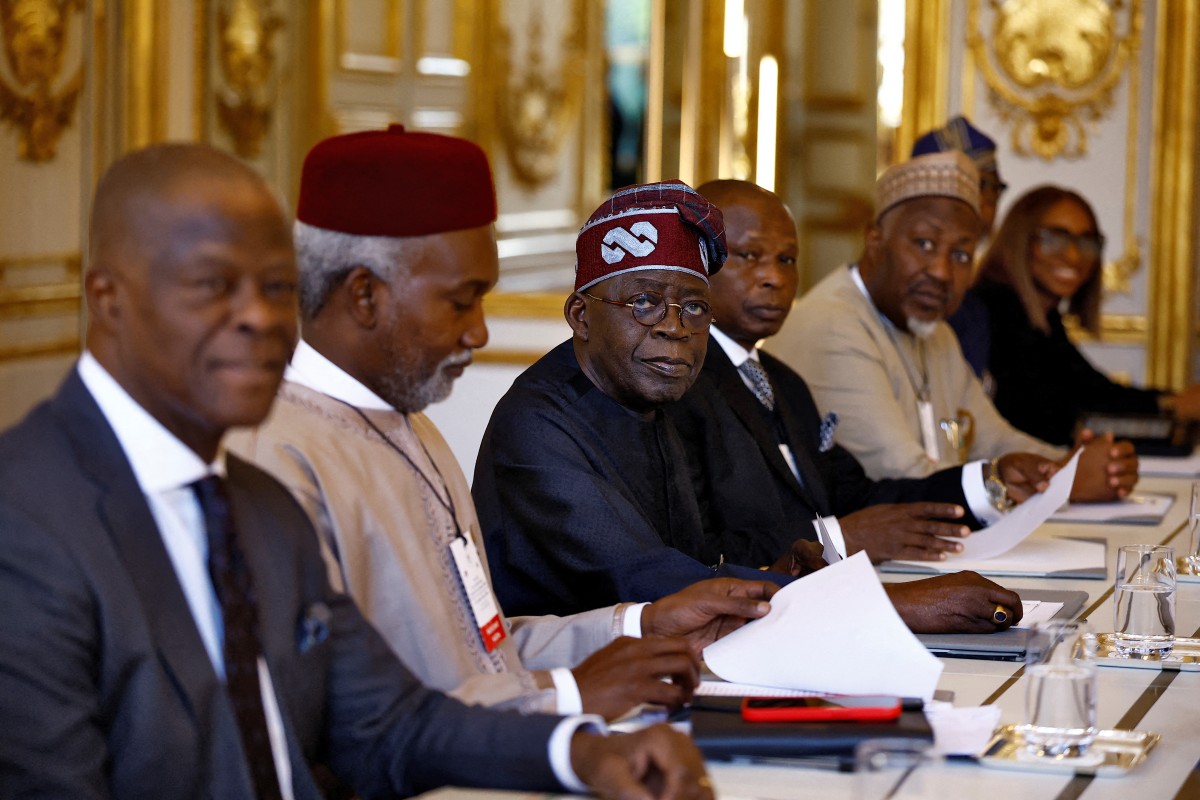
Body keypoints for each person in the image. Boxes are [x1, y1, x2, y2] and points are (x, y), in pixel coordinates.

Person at [0, 143, 714, 799]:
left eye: (278, 287)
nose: (259, 320)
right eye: (212, 286)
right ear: (108, 300)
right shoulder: (25, 518)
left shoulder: (249, 502)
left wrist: (580, 752)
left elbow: (387, 724)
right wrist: (569, 699)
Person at [227, 125, 778, 723]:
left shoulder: (419, 434)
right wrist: (567, 697)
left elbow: (475, 652)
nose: (480, 334)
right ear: (365, 295)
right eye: (461, 300)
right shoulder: (271, 459)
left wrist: (639, 624)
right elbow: (341, 723)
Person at [474, 180, 1024, 636]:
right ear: (580, 315)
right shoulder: (539, 423)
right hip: (570, 695)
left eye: (694, 308)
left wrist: (774, 568)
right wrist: (892, 603)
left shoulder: (650, 392)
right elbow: (648, 577)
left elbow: (696, 559)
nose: (673, 326)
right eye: (643, 301)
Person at [667, 179, 1057, 566]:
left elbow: (858, 498)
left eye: (787, 260)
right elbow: (693, 548)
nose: (775, 278)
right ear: (693, 262)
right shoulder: (674, 384)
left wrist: (987, 482)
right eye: (749, 255)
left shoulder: (783, 382)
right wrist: (839, 537)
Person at [767, 152, 1138, 504]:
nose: (942, 272)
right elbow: (903, 476)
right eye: (924, 244)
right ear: (875, 240)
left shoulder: (936, 332)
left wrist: (1075, 464)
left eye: (960, 254)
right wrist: (1065, 480)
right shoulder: (836, 324)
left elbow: (994, 440)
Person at [959, 185, 1200, 446]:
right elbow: (1052, 417)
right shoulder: (991, 311)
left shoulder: (1044, 318)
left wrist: (1172, 402)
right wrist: (1170, 407)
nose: (1074, 256)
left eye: (1087, 242)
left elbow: (1092, 390)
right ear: (1020, 239)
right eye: (1055, 239)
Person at [912, 115, 1008, 379]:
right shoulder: (905, 296)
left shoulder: (973, 311)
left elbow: (966, 415)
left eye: (991, 187)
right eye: (974, 185)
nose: (984, 200)